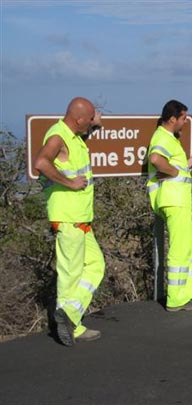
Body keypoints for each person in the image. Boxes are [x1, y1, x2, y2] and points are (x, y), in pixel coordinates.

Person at [33, 97, 105, 346]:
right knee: (70, 274)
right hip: (68, 218)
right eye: (90, 117)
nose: (93, 121)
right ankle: (71, 325)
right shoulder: (58, 135)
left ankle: (70, 315)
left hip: (81, 219)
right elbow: (41, 163)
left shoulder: (73, 136)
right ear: (78, 119)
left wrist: (94, 126)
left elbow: (76, 146)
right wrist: (70, 182)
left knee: (95, 265)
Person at [147, 99, 192, 312]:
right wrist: (174, 172)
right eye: (183, 118)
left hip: (178, 201)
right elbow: (156, 159)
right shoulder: (162, 136)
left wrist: (189, 162)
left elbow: (174, 165)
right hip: (173, 201)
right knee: (180, 246)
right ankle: (175, 298)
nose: (185, 122)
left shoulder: (170, 139)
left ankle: (191, 293)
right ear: (172, 118)